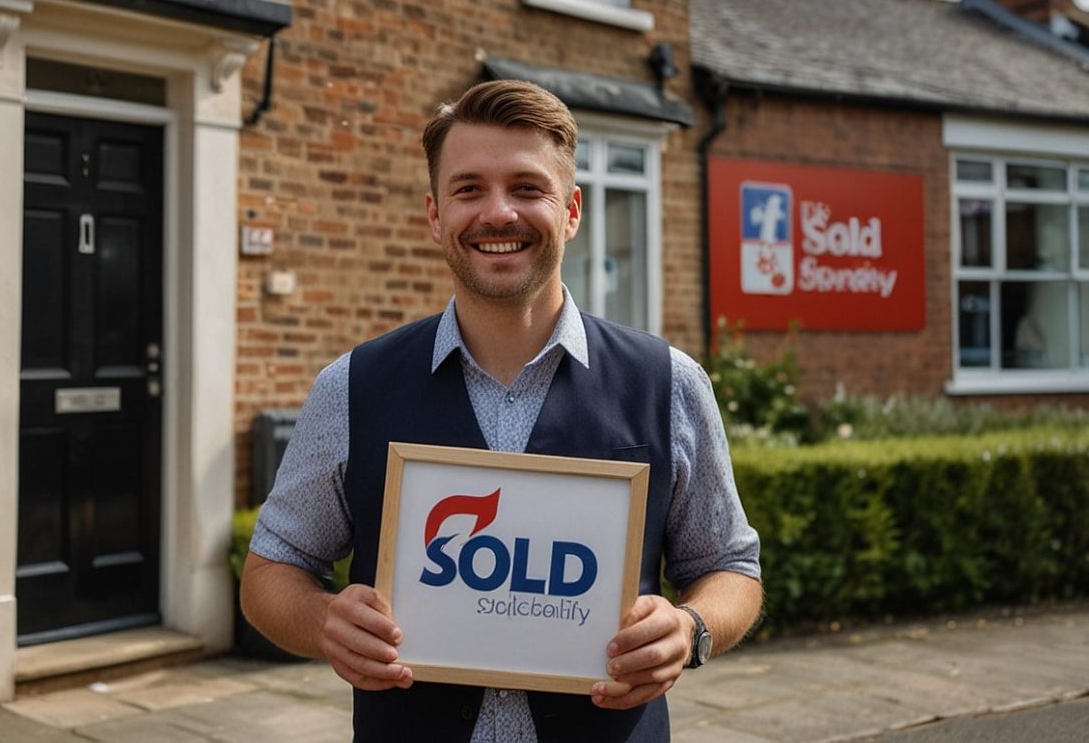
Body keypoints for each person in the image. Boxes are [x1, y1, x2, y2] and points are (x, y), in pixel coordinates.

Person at [242, 80, 762, 742]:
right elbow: (270, 570)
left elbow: (731, 568)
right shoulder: (352, 386)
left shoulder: (670, 384)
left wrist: (691, 631)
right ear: (435, 216)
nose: (498, 213)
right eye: (469, 189)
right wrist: (322, 622)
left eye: (526, 188)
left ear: (571, 211)